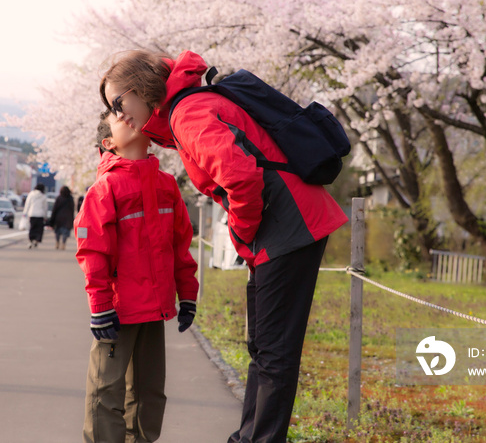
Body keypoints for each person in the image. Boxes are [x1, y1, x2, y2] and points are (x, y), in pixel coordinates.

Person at [100, 50, 348, 443]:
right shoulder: (187, 108)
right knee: (266, 349)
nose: (117, 114)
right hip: (289, 224)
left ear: (141, 88)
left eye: (118, 102)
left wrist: (242, 234)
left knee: (274, 353)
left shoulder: (187, 114)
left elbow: (241, 179)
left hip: (289, 227)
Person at [74, 110, 199, 443]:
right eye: (119, 118)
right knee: (106, 391)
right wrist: (100, 307)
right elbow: (93, 252)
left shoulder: (166, 184)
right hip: (118, 312)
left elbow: (180, 245)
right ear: (109, 143)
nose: (129, 118)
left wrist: (187, 294)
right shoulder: (105, 189)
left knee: (150, 393)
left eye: (131, 113)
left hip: (154, 310)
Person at [49, 185, 75, 250]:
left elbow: (54, 209)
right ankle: (63, 243)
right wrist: (72, 219)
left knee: (58, 231)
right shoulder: (70, 198)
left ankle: (57, 242)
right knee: (65, 232)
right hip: (67, 217)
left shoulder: (59, 198)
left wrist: (52, 218)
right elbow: (72, 209)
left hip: (58, 217)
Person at [22, 183, 47, 249]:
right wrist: (45, 216)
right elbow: (45, 207)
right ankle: (36, 240)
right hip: (40, 215)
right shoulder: (43, 196)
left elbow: (27, 204)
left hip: (32, 214)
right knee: (39, 229)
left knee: (32, 228)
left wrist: (25, 213)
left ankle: (31, 241)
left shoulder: (31, 194)